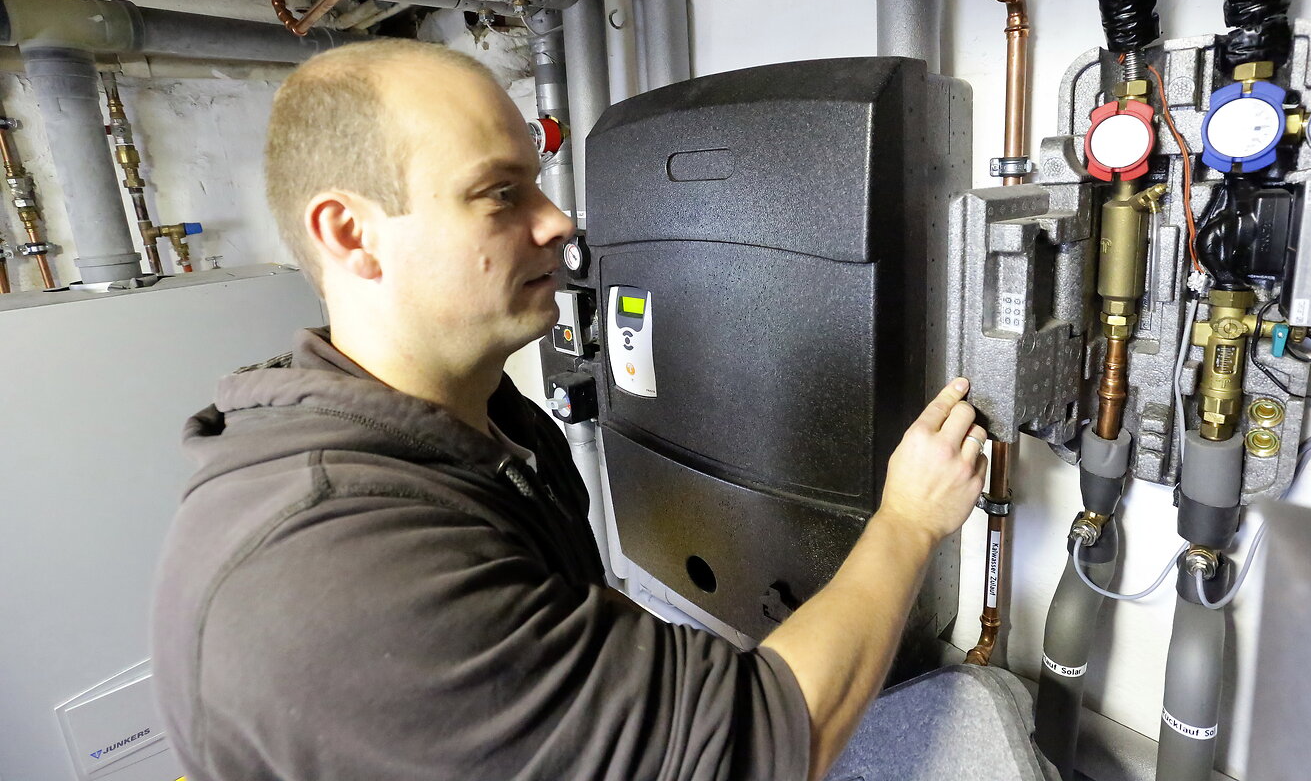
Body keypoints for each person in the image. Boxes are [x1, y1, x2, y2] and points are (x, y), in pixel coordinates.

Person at [151, 39, 989, 781]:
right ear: (352, 234)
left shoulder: (488, 422)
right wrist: (910, 520)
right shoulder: (341, 572)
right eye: (498, 193)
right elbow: (763, 743)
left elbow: (567, 616)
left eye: (539, 184)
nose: (558, 223)